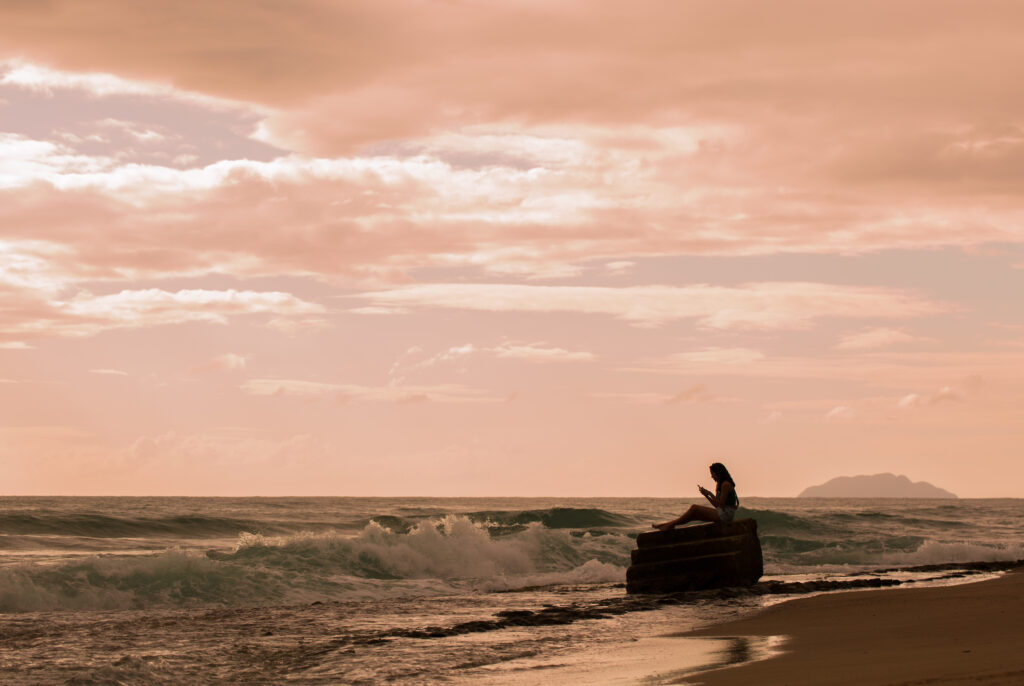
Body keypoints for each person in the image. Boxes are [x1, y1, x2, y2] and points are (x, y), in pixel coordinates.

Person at [654, 462, 739, 531]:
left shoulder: (726, 484)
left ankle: (669, 525)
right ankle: (670, 524)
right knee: (693, 515)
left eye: (712, 474)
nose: (712, 476)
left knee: (694, 508)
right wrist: (706, 495)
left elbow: (721, 505)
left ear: (718, 473)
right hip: (723, 513)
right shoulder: (721, 484)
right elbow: (717, 506)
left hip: (726, 515)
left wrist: (710, 493)